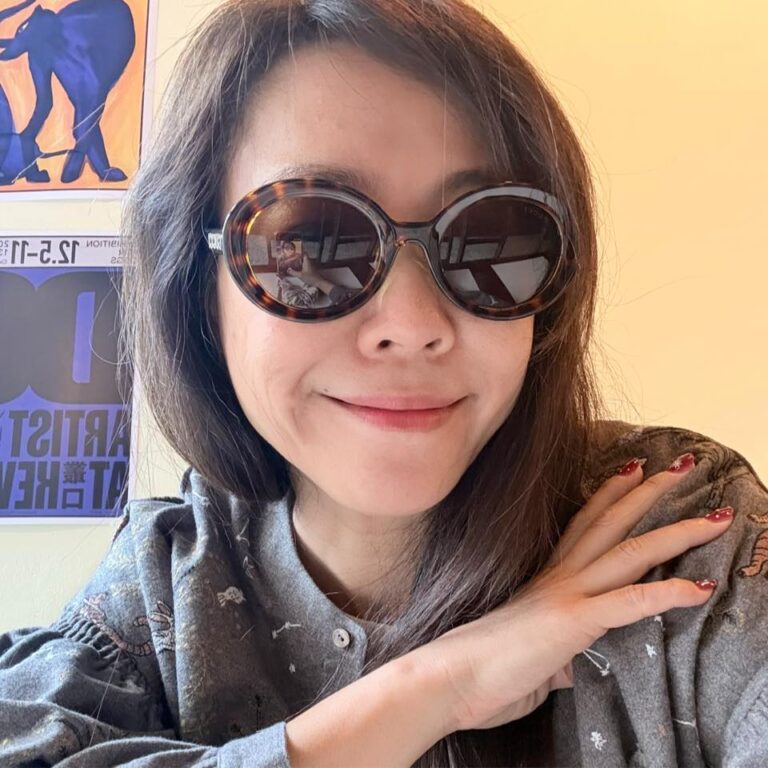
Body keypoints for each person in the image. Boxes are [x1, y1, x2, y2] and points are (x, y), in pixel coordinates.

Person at [1, 0, 766, 766]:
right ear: (199, 290)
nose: (412, 323)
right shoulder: (165, 584)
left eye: (488, 237)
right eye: (310, 243)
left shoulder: (675, 530)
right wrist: (439, 687)